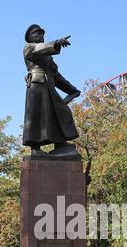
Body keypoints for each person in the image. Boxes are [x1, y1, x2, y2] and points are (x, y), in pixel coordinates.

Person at [23, 24, 81, 157]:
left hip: (49, 85)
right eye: (36, 34)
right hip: (37, 85)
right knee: (37, 115)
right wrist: (56, 43)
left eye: (42, 34)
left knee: (61, 112)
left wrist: (71, 89)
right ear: (30, 37)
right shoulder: (29, 47)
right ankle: (35, 147)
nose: (40, 36)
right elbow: (39, 49)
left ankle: (60, 143)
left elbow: (56, 75)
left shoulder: (48, 57)